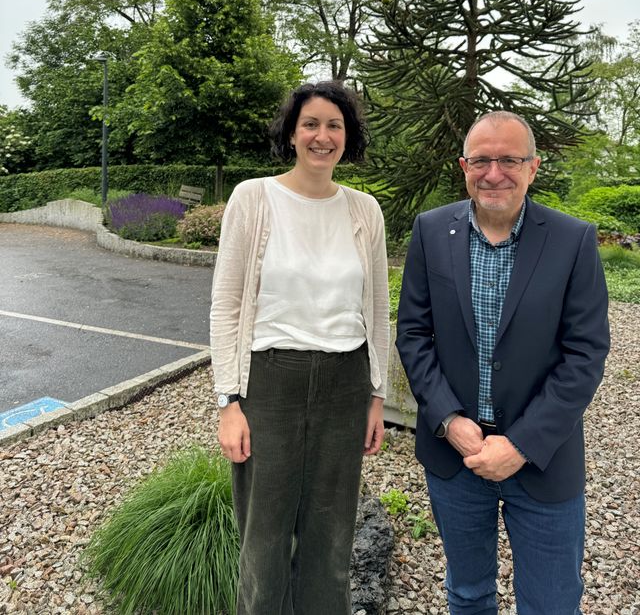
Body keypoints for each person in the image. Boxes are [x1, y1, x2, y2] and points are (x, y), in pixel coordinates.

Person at [396, 110, 610, 615]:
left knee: (552, 604)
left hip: (542, 458)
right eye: (482, 160)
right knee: (467, 595)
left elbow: (586, 352)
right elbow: (413, 334)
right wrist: (448, 421)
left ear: (532, 167)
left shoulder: (573, 240)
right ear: (463, 166)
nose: (494, 173)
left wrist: (521, 443)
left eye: (509, 160)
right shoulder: (430, 231)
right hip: (456, 458)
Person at [210, 80, 390, 615]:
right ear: (291, 133)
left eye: (334, 125)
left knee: (331, 538)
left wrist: (376, 397)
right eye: (310, 123)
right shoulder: (254, 198)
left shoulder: (365, 211)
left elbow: (377, 309)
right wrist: (229, 403)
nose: (322, 135)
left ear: (347, 136)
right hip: (270, 382)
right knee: (264, 537)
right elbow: (227, 305)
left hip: (345, 383)